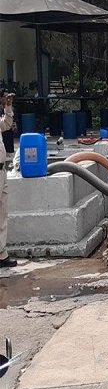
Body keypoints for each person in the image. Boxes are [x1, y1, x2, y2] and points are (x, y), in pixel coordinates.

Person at [0, 89, 17, 268]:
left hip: (2, 170)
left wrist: (8, 107)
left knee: (2, 213)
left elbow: (6, 123)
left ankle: (1, 254)